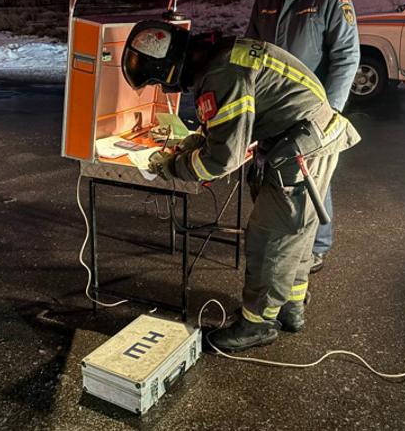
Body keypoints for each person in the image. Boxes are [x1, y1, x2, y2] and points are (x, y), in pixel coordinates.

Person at [121, 20, 361, 352]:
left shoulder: (220, 75)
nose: (166, 89)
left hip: (301, 147)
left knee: (271, 237)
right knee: (296, 232)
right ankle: (291, 307)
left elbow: (220, 161)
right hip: (308, 136)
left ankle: (257, 324)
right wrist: (199, 140)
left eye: (161, 82)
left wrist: (174, 166)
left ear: (171, 68)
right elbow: (238, 120)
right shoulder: (222, 54)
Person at [246, 0, 360, 273]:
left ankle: (318, 246)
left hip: (312, 109)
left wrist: (331, 113)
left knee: (311, 177)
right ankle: (278, 234)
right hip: (270, 107)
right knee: (269, 170)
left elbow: (346, 57)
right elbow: (249, 50)